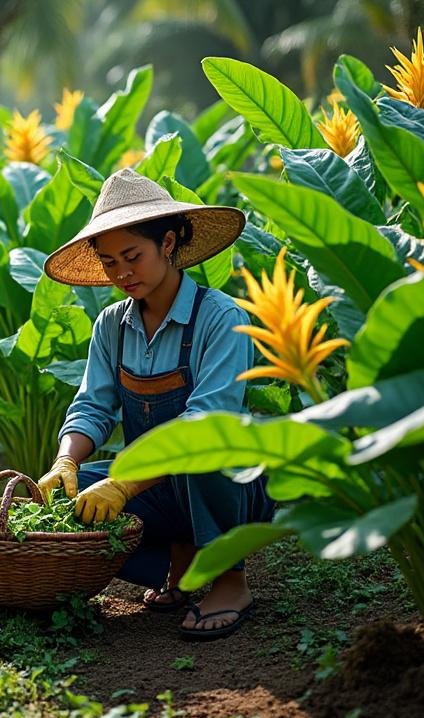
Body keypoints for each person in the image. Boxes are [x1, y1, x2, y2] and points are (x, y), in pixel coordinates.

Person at [37, 168, 272, 641]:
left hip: (230, 482)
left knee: (207, 451)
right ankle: (179, 560)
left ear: (167, 244)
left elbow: (206, 423)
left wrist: (123, 484)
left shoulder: (221, 317)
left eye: (132, 256)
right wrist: (65, 460)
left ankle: (230, 580)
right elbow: (93, 406)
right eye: (108, 262)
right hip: (157, 482)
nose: (121, 273)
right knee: (74, 490)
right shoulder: (110, 325)